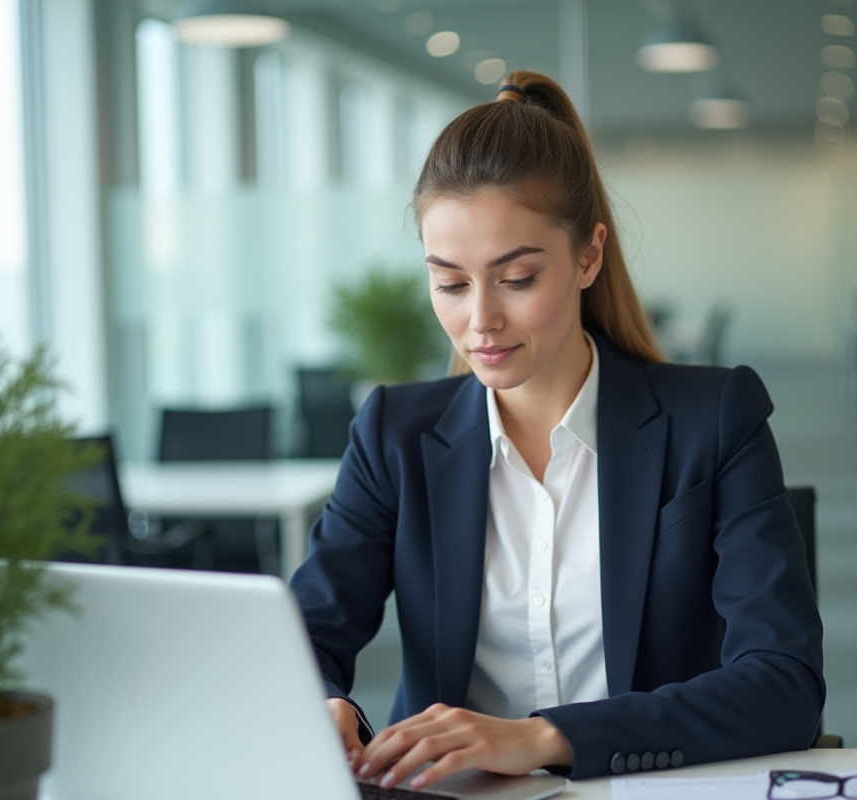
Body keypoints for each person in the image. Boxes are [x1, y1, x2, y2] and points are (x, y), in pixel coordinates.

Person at [289, 71, 824, 791]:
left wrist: (544, 737)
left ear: (587, 256)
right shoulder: (393, 435)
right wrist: (321, 703)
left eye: (515, 279)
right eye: (449, 283)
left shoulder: (714, 421)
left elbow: (783, 684)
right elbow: (305, 636)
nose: (479, 320)